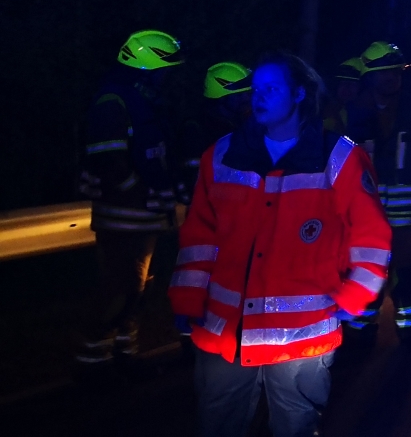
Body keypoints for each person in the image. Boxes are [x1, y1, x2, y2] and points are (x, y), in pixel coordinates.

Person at [170, 51, 391, 437]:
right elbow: (199, 236)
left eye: (271, 89)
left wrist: (355, 297)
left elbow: (371, 236)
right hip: (225, 331)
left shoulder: (338, 157)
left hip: (301, 336)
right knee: (217, 426)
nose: (259, 97)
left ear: (300, 93)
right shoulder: (221, 155)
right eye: (256, 89)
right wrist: (187, 298)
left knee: (296, 428)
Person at [75, 29, 184, 366]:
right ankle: (93, 365)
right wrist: (142, 194)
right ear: (146, 69)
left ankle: (124, 355)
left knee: (136, 290)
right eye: (164, 71)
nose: (168, 79)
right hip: (123, 219)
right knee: (118, 291)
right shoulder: (114, 102)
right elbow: (109, 161)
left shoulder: (142, 102)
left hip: (143, 219)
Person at [345, 42, 411, 351]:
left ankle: (410, 332)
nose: (391, 78)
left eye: (396, 72)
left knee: (407, 272)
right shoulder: (354, 112)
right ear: (369, 77)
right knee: (364, 270)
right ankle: (360, 331)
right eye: (384, 73)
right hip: (366, 212)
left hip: (406, 213)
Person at [178, 62, 254, 207]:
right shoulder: (197, 129)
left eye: (248, 93)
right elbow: (195, 180)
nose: (247, 99)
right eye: (239, 95)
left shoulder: (240, 126)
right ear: (222, 97)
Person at [321, 56, 365, 135]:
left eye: (353, 84)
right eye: (343, 83)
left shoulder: (364, 115)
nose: (346, 88)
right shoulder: (322, 107)